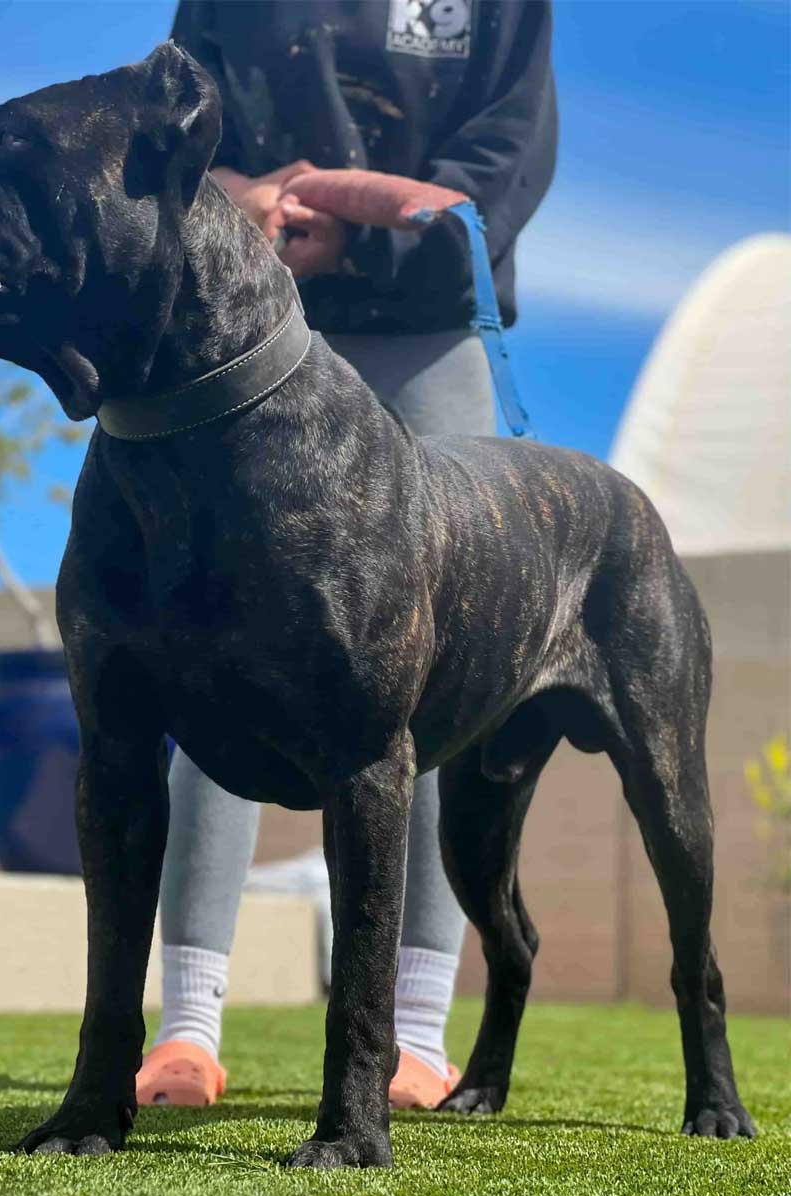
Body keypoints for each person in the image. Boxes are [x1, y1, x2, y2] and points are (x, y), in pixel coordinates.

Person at [137, 0, 557, 1109]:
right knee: (207, 651)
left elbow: (505, 156)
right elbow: (172, 124)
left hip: (430, 335)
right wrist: (243, 197)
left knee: (428, 683)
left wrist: (362, 228)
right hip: (252, 328)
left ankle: (416, 1032)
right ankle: (185, 1025)